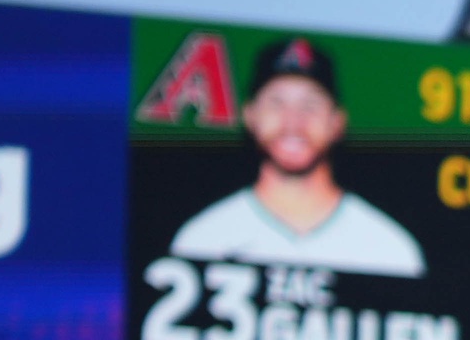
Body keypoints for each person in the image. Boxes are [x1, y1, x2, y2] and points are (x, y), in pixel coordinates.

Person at [168, 37, 425, 276]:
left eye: (310, 105)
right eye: (276, 104)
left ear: (337, 122)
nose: (293, 122)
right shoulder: (204, 238)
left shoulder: (388, 248)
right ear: (250, 115)